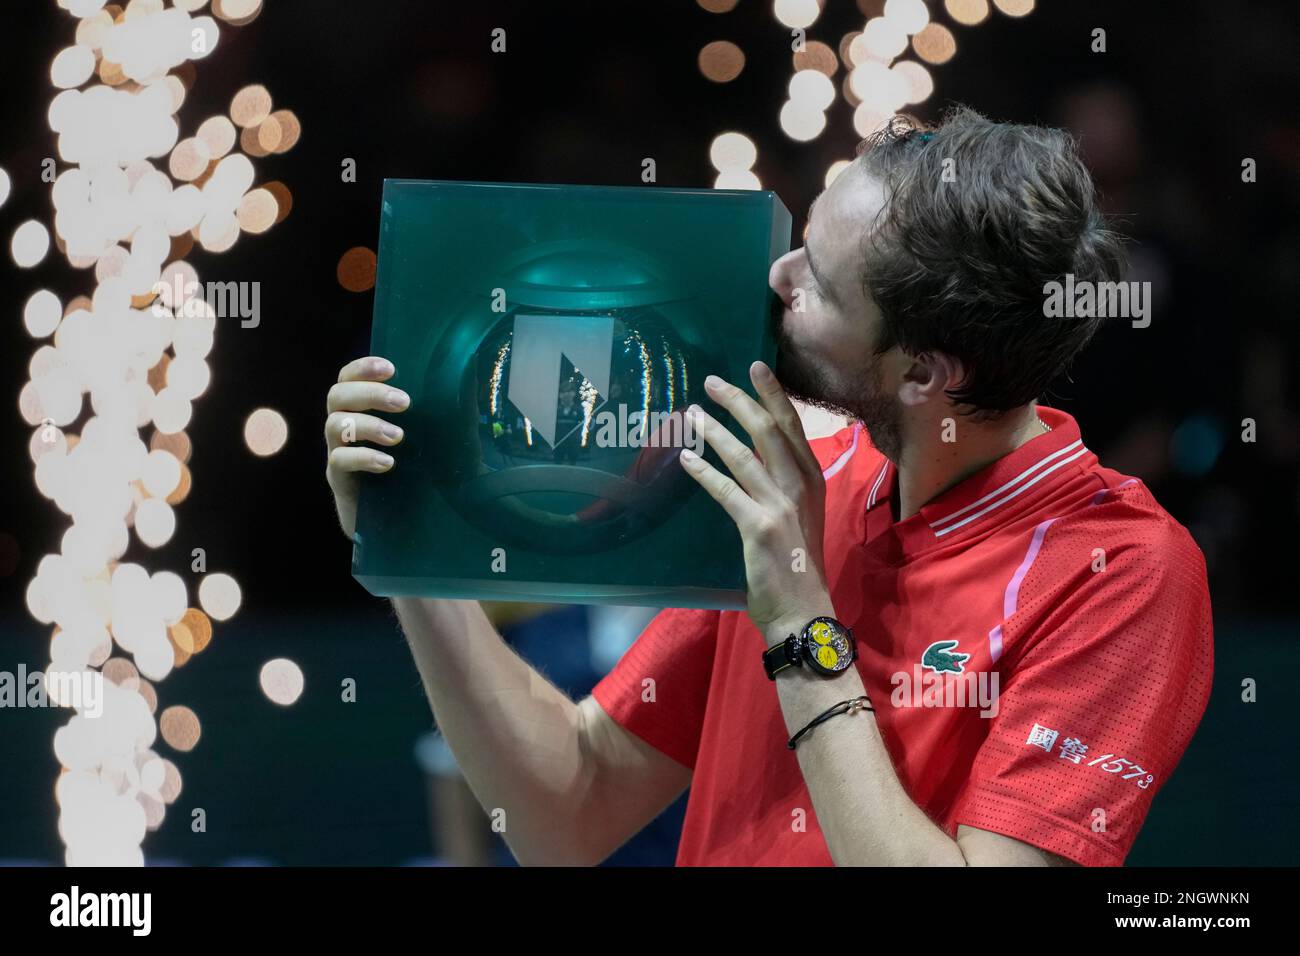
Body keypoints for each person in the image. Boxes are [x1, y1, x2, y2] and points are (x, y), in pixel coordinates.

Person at [324, 107, 1213, 866]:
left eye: (817, 283)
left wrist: (797, 621)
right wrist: (412, 551)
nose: (776, 279)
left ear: (922, 373)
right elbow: (569, 810)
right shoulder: (799, 475)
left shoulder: (1122, 571)